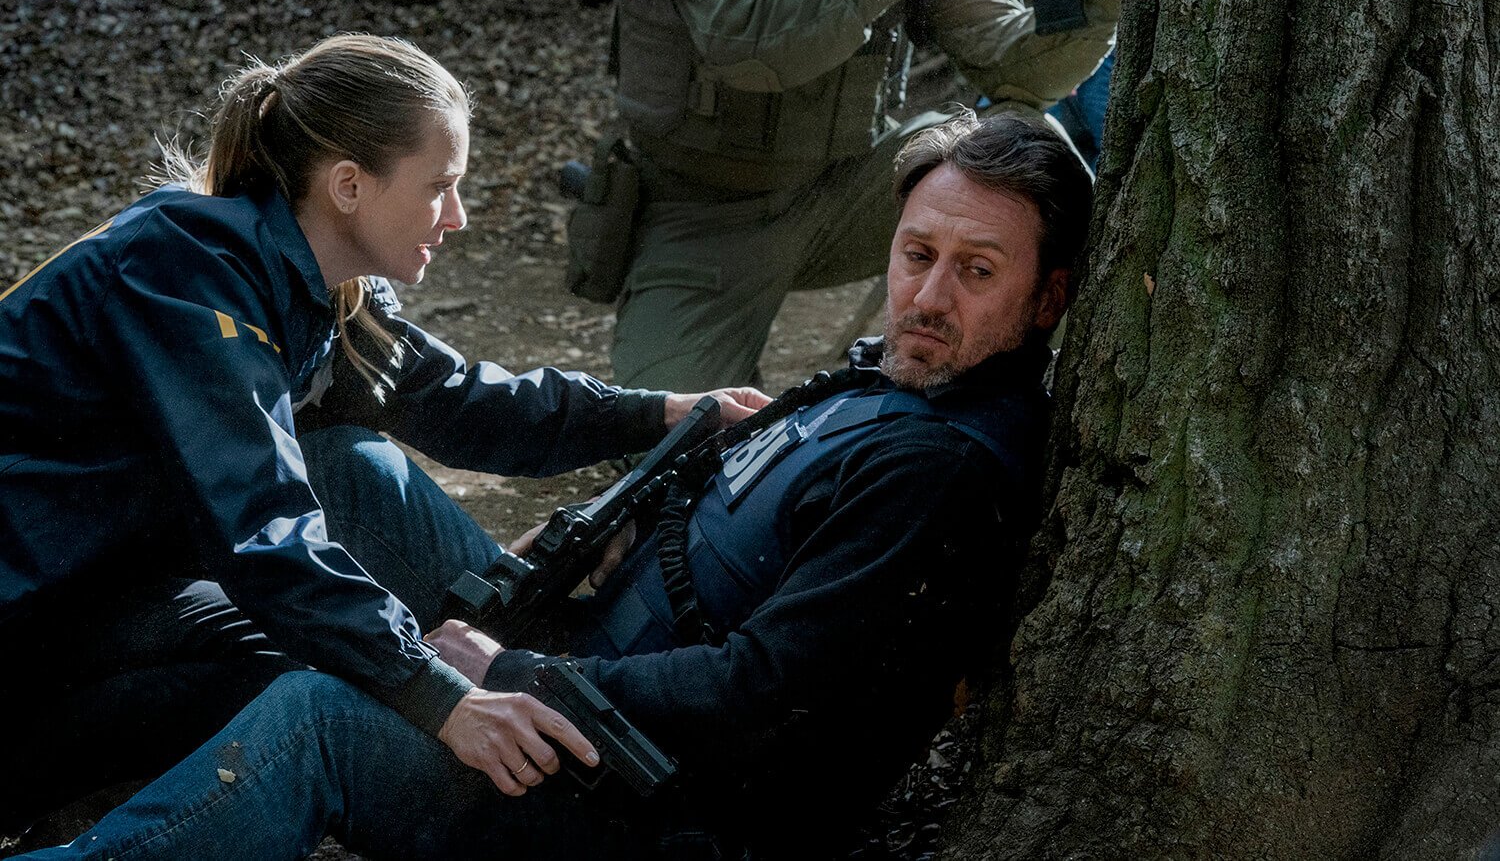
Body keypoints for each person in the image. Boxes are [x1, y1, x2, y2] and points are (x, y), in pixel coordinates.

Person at [16, 108, 1093, 860]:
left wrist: (501, 673)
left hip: (635, 793)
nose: (929, 296)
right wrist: (639, 505)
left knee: (320, 712)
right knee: (348, 468)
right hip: (588, 659)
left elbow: (766, 693)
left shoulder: (939, 468)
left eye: (977, 271)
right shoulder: (895, 382)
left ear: (1048, 301)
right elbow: (453, 409)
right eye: (916, 254)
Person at [0, 33, 767, 837]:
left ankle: (547, 675)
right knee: (327, 683)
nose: (458, 215)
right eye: (440, 186)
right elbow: (262, 529)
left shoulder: (320, 280)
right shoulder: (185, 273)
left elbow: (459, 401)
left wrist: (661, 413)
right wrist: (438, 693)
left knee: (347, 467)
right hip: (26, 637)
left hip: (104, 588)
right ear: (348, 186)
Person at [595, 0, 1123, 393]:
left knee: (1020, 139)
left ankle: (1024, 397)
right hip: (705, 212)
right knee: (674, 426)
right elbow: (745, 40)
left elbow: (1018, 70)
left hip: (853, 189)